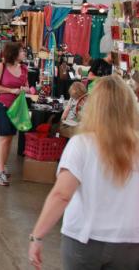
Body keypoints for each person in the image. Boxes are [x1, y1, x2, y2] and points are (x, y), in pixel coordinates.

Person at [28, 75, 139, 269]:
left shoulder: (82, 144)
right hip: (129, 242)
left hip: (84, 240)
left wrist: (37, 236)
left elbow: (62, 194)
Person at [0, 42, 29, 186]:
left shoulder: (24, 68)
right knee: (4, 138)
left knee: (10, 138)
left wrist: (27, 89)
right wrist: (12, 91)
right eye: (22, 51)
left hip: (17, 108)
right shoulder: (2, 66)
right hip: (3, 106)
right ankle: (0, 171)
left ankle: (3, 167)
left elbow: (27, 85)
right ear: (14, 53)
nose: (24, 53)